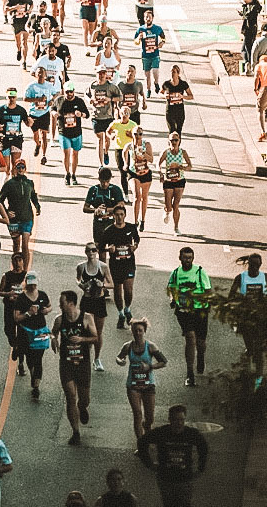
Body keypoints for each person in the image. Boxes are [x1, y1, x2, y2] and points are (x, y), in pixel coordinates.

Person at [138, 404, 208, 507]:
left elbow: (203, 447)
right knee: (168, 503)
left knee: (184, 504)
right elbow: (142, 442)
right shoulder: (161, 432)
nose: (179, 423)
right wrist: (149, 463)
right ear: (170, 419)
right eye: (176, 420)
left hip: (184, 478)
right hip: (166, 478)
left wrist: (201, 468)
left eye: (182, 420)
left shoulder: (191, 433)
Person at [51, 290, 97, 443]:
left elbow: (95, 338)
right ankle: (75, 432)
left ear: (70, 303)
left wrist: (82, 339)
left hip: (82, 363)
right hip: (66, 363)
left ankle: (82, 408)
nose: (60, 305)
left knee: (84, 398)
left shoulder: (86, 318)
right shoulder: (59, 319)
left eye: (62, 302)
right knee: (70, 396)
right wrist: (54, 339)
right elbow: (53, 332)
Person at [116, 318, 168, 441]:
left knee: (149, 417)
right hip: (133, 385)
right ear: (132, 332)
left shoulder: (150, 346)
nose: (138, 333)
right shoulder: (128, 346)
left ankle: (147, 426)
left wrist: (149, 366)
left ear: (144, 331)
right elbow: (119, 357)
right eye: (135, 330)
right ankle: (141, 443)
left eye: (140, 330)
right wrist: (121, 361)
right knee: (137, 414)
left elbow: (163, 362)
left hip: (148, 385)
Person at [167, 248, 212, 387]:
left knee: (200, 342)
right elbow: (171, 288)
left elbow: (208, 290)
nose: (187, 260)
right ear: (180, 258)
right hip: (184, 311)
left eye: (190, 258)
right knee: (190, 338)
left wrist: (204, 301)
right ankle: (189, 373)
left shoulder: (199, 271)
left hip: (200, 310)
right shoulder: (176, 273)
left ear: (193, 258)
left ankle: (201, 356)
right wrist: (173, 299)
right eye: (185, 258)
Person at [228, 253, 267, 378]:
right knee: (249, 344)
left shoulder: (266, 277)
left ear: (260, 265)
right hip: (245, 316)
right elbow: (231, 296)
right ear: (248, 264)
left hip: (260, 316)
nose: (254, 268)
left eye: (257, 265)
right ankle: (249, 359)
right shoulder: (240, 278)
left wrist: (266, 302)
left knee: (258, 347)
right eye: (252, 265)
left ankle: (259, 375)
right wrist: (240, 302)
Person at [76, 242, 114, 372]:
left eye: (93, 250)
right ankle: (85, 356)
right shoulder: (81, 267)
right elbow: (78, 280)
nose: (91, 253)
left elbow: (111, 284)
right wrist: (82, 285)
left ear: (97, 251)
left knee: (98, 332)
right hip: (87, 300)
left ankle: (97, 359)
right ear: (85, 252)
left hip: (99, 301)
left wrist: (102, 284)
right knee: (86, 330)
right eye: (88, 250)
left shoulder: (103, 267)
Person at [101, 203, 140, 330]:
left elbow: (137, 240)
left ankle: (127, 308)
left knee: (128, 290)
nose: (119, 217)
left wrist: (134, 247)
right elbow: (101, 247)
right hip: (115, 264)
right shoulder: (109, 230)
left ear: (125, 215)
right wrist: (109, 249)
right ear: (113, 216)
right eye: (117, 215)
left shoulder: (131, 228)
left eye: (121, 215)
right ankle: (121, 314)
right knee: (118, 291)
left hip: (128, 263)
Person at [13, 271, 51, 398]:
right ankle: (32, 372)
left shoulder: (43, 295)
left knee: (38, 358)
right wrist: (28, 313)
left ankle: (36, 386)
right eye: (30, 284)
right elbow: (16, 318)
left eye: (34, 284)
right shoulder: (21, 298)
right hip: (26, 331)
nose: (32, 286)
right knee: (30, 358)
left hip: (40, 330)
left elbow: (49, 306)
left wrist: (45, 310)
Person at [0, 158, 40, 267]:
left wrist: (37, 206)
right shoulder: (9, 184)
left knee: (25, 244)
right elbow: (0, 201)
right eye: (18, 167)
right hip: (14, 219)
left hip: (27, 217)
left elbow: (33, 196)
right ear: (15, 169)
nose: (21, 169)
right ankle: (16, 268)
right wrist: (6, 213)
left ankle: (25, 270)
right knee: (16, 244)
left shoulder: (29, 183)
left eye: (23, 167)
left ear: (25, 169)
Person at [83, 165, 125, 247]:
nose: (105, 184)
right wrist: (95, 210)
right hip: (98, 224)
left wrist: (107, 210)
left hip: (113, 223)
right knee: (100, 249)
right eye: (102, 181)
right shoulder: (93, 190)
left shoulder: (115, 189)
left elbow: (121, 206)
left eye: (107, 181)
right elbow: (85, 208)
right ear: (99, 179)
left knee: (113, 248)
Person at [158, 133, 192, 234]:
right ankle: (166, 210)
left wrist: (184, 168)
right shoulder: (166, 152)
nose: (173, 142)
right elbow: (158, 164)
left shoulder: (183, 152)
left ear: (179, 141)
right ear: (169, 141)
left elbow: (190, 165)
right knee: (169, 206)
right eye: (172, 140)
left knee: (176, 205)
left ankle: (176, 228)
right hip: (168, 181)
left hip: (180, 180)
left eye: (175, 140)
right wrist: (160, 173)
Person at [87, 68, 121, 165]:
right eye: (99, 73)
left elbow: (120, 97)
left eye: (103, 73)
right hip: (96, 116)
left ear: (106, 74)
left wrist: (109, 99)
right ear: (96, 74)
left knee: (107, 139)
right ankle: (100, 164)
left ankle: (106, 152)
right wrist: (89, 100)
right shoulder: (92, 86)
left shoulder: (111, 86)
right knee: (99, 139)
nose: (101, 75)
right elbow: (86, 94)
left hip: (108, 116)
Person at [133, 8, 165, 97]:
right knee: (147, 75)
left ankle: (156, 83)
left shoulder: (157, 28)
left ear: (152, 18)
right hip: (145, 55)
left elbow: (163, 37)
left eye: (149, 17)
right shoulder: (140, 29)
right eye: (146, 17)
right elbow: (135, 42)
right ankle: (148, 90)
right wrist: (139, 38)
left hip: (155, 54)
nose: (148, 18)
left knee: (155, 71)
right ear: (144, 18)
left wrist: (162, 43)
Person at [130, 128, 154, 232]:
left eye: (140, 134)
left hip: (145, 172)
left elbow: (152, 159)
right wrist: (126, 164)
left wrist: (144, 154)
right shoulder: (129, 145)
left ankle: (142, 220)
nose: (138, 136)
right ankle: (135, 222)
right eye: (135, 134)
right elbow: (123, 153)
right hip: (133, 173)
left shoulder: (147, 144)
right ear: (132, 134)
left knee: (144, 197)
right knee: (136, 197)